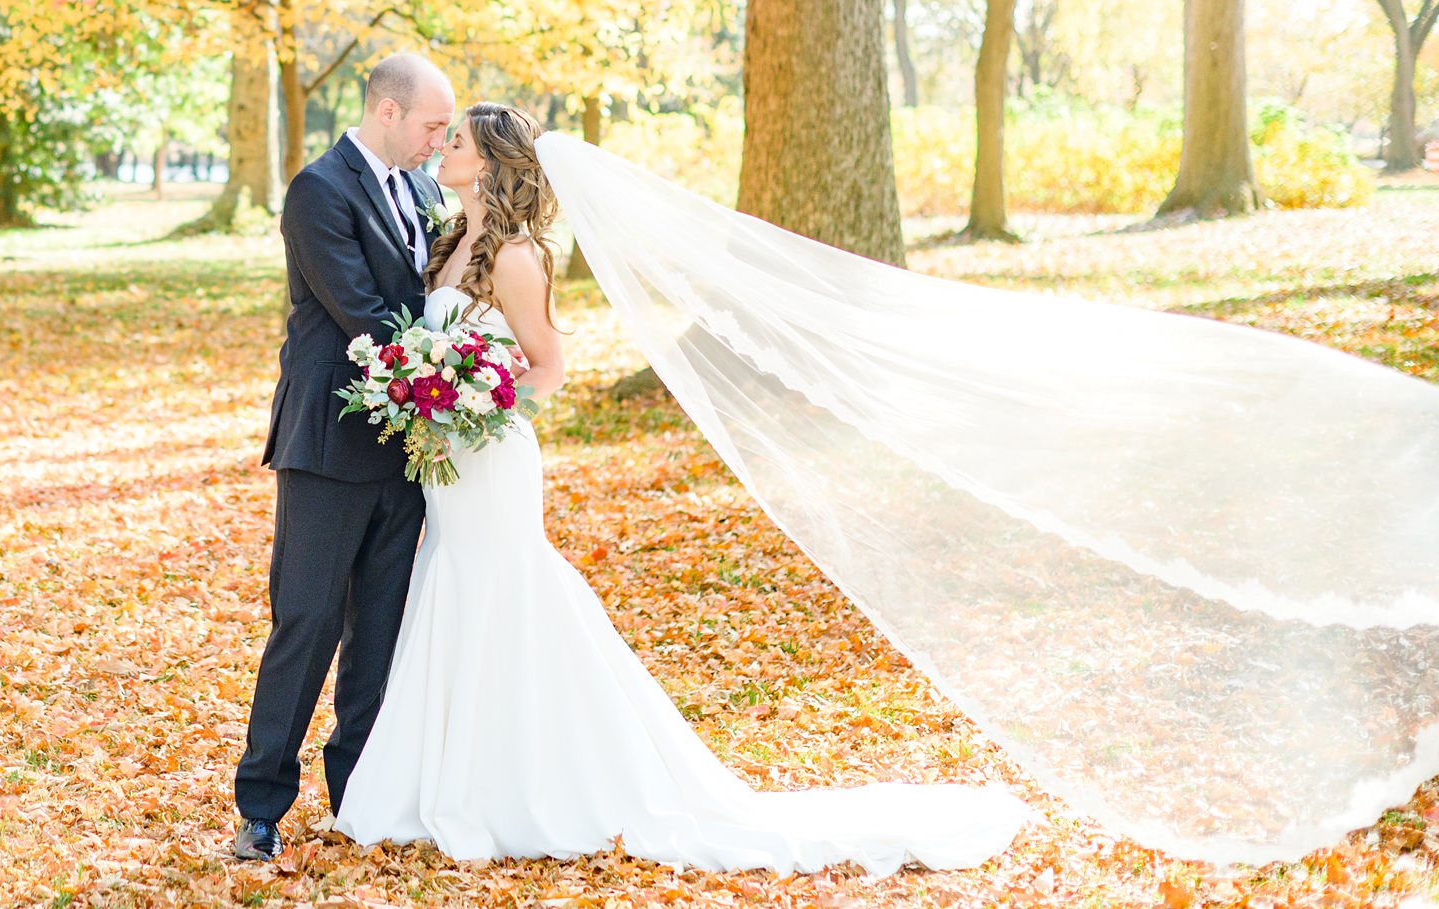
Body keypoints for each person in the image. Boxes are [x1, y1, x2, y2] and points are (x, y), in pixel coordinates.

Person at [331, 103, 1027, 875]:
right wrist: (436, 401)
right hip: (450, 467)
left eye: (455, 139)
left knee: (505, 590)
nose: (443, 146)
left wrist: (476, 409)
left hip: (491, 461)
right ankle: (446, 777)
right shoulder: (452, 242)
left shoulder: (516, 257)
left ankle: (529, 783)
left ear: (489, 162)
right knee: (453, 585)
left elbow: (548, 367)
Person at [230, 52, 455, 862]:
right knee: (309, 619)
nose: (439, 141)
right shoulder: (318, 191)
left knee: (380, 632)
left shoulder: (427, 192)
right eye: (432, 125)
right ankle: (261, 804)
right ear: (387, 112)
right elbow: (364, 317)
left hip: (406, 451)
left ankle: (357, 792)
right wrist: (442, 376)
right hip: (328, 445)